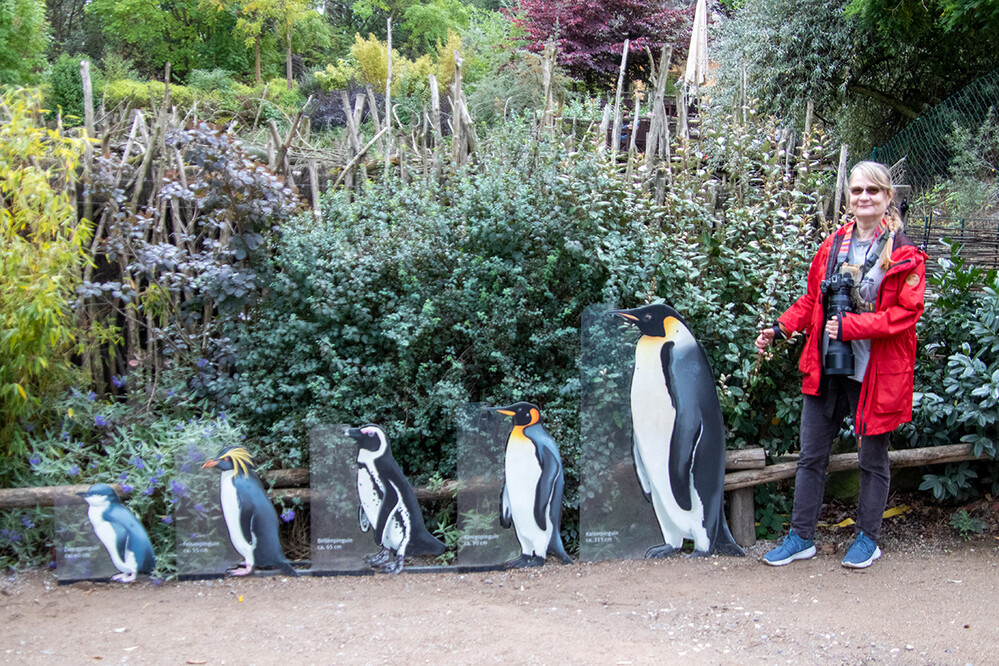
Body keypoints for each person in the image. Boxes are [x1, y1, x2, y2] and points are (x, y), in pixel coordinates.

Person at [754, 161, 926, 569]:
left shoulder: (904, 254)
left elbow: (907, 313)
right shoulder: (832, 246)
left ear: (888, 198)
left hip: (874, 372)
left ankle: (867, 538)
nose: (863, 197)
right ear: (848, 197)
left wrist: (854, 325)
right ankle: (801, 537)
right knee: (811, 454)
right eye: (857, 191)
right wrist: (779, 330)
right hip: (828, 363)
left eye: (873, 191)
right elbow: (813, 300)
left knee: (872, 459)